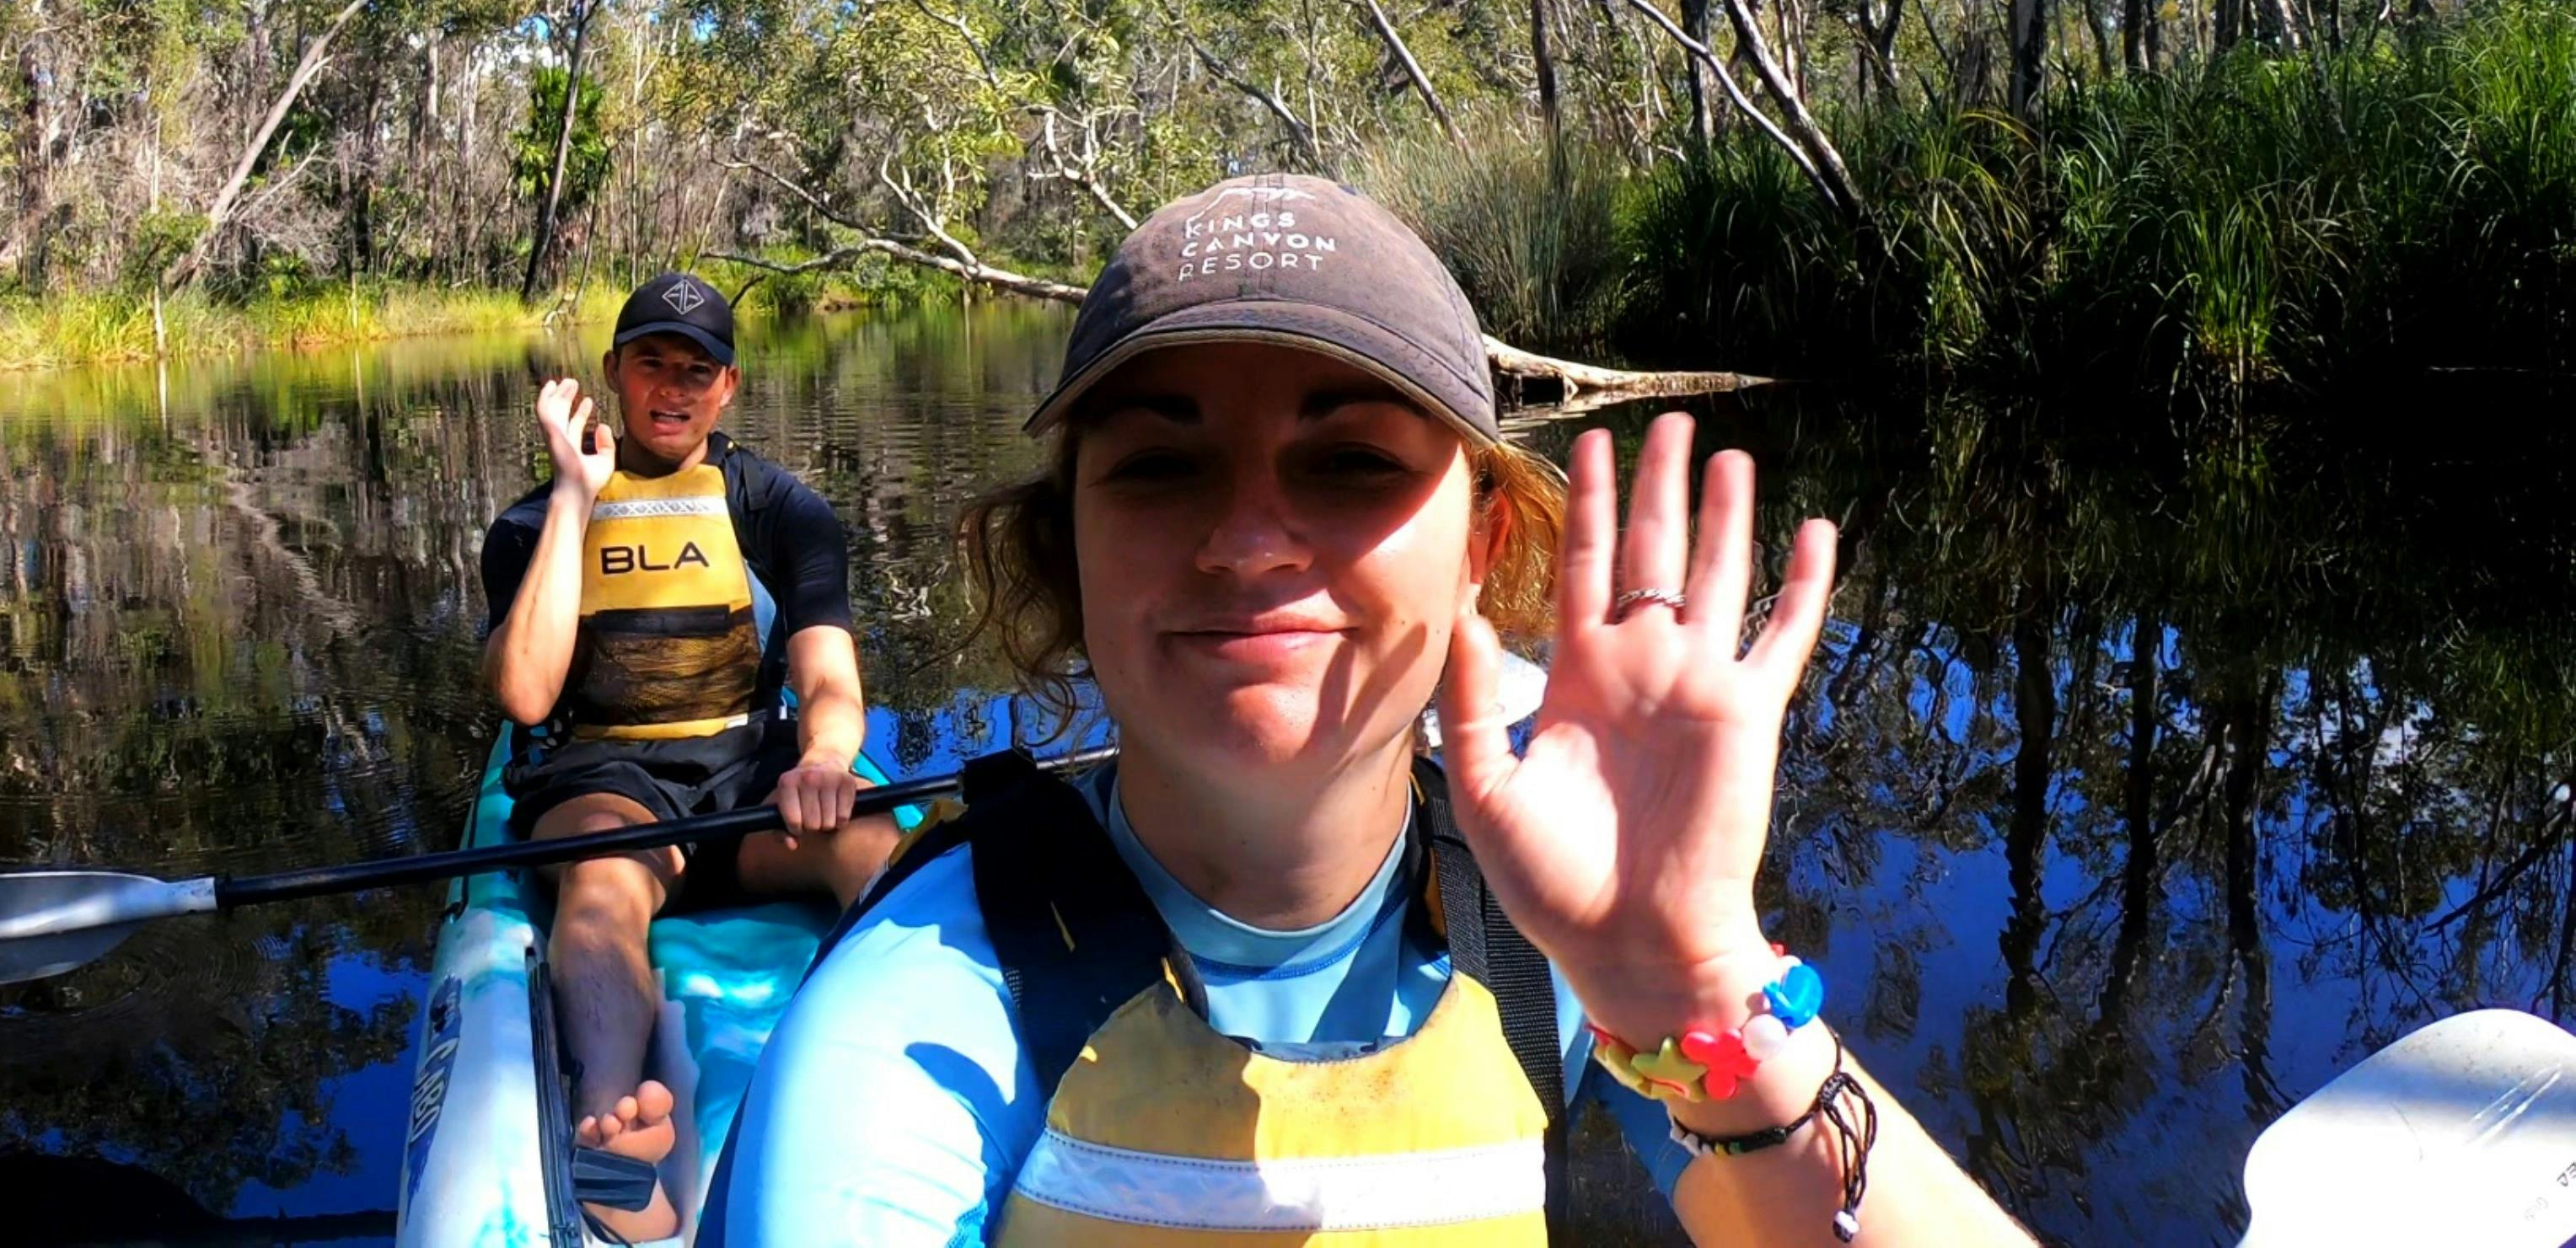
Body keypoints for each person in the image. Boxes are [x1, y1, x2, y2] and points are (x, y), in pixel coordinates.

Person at [705, 176, 2035, 1247]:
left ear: (1481, 544)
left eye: (1350, 464)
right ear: (1066, 556)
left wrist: (1690, 978)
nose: (1247, 542)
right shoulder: (910, 1030)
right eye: (1161, 467)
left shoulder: (1558, 936)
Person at [480, 270, 901, 1243]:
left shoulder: (780, 509)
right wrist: (576, 496)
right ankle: (612, 1129)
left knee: (882, 856)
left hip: (746, 776)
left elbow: (829, 677)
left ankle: (890, 1074)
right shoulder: (529, 525)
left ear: (728, 387)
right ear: (613, 375)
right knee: (599, 886)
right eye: (651, 364)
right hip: (603, 781)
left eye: (696, 370)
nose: (672, 388)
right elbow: (525, 697)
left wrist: (828, 759)